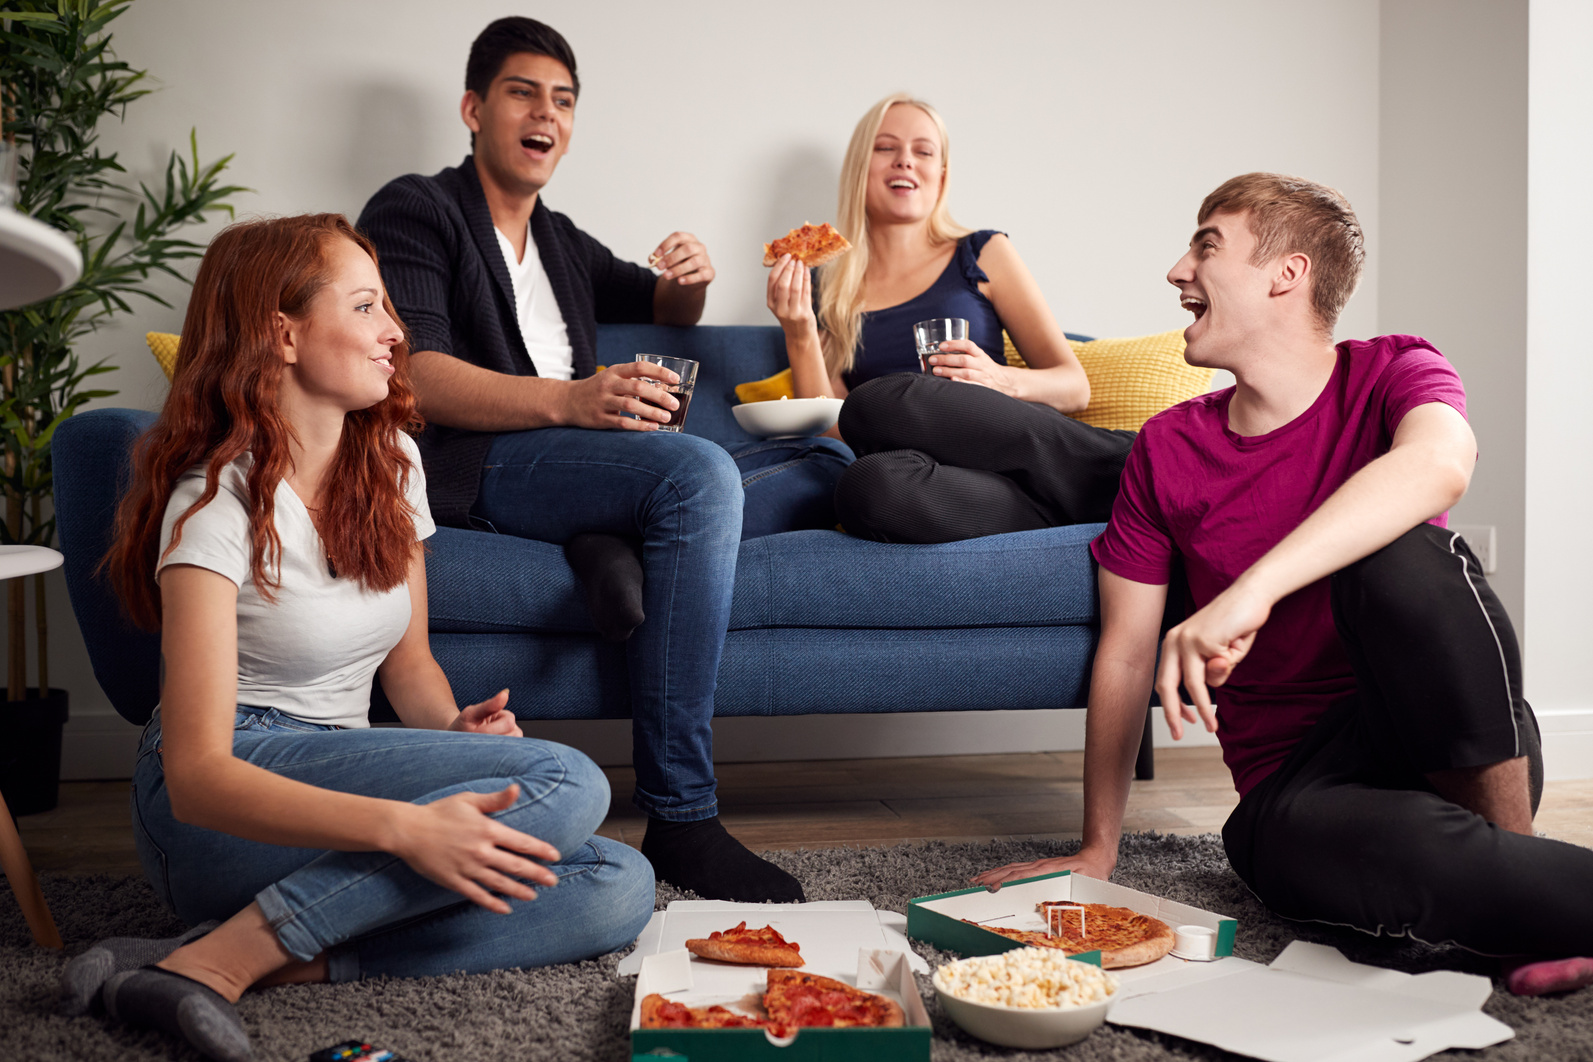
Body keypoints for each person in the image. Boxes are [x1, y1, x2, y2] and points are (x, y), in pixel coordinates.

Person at [973, 173, 1593, 996]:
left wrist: (1249, 591)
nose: (1175, 271)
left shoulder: (1392, 371)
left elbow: (1441, 462)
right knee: (1342, 852)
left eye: (1205, 244)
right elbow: (1125, 654)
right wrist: (1097, 846)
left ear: (1285, 274)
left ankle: (1509, 875)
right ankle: (1520, 906)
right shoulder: (1166, 448)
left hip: (1455, 750)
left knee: (1402, 557)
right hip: (1300, 786)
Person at [70, 215, 655, 1062]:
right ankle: (223, 961)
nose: (395, 334)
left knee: (615, 883)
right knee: (567, 780)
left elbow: (409, 664)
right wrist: (402, 828)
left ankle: (201, 961)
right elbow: (197, 778)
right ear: (284, 334)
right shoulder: (213, 503)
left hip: (344, 767)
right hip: (221, 808)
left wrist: (455, 740)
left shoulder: (392, 466)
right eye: (366, 307)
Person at [355, 17, 808, 903]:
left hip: (571, 464)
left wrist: (690, 275)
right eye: (524, 93)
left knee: (816, 456)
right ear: (473, 108)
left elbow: (667, 309)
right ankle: (681, 813)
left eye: (563, 101)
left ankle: (615, 539)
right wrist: (573, 399)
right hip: (479, 462)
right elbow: (413, 374)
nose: (546, 115)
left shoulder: (558, 240)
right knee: (701, 474)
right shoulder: (417, 208)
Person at [765, 94, 1135, 543]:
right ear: (860, 167)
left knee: (881, 402)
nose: (905, 161)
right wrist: (799, 329)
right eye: (885, 148)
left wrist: (999, 380)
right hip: (952, 481)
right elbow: (835, 431)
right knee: (867, 488)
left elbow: (1074, 387)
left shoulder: (981, 253)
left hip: (1011, 441)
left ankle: (1124, 469)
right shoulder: (826, 286)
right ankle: (1081, 515)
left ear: (941, 175)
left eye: (923, 151)